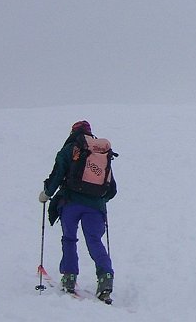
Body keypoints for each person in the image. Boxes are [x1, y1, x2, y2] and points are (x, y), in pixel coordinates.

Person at [39, 120, 117, 301]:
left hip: (71, 203)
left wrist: (46, 194)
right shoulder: (101, 153)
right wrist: (99, 200)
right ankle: (105, 278)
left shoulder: (69, 150)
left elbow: (57, 175)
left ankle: (69, 277)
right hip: (95, 207)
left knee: (69, 239)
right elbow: (112, 189)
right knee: (94, 240)